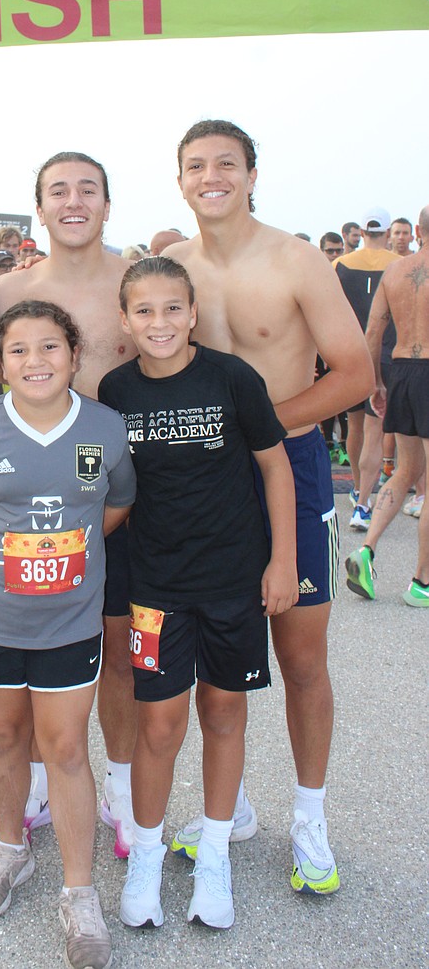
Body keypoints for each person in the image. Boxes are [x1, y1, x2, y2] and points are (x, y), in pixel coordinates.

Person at [165, 119, 372, 895]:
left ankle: (310, 818)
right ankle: (234, 804)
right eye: (196, 165)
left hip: (292, 464)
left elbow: (352, 375)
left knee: (301, 655)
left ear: (252, 174)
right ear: (179, 179)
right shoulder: (173, 267)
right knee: (218, 648)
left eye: (226, 163)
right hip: (200, 483)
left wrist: (258, 427)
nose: (211, 175)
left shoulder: (297, 259)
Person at [0, 300, 134, 969]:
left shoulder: (104, 430)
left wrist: (67, 552)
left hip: (69, 620)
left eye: (50, 347)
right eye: (19, 350)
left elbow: (118, 501)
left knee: (67, 745)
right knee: (3, 735)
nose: (36, 361)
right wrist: (13, 558)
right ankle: (12, 852)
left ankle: (80, 894)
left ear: (75, 356)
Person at [99, 257, 297, 930]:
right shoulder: (114, 388)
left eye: (173, 308)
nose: (161, 322)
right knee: (158, 723)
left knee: (223, 712)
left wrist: (283, 560)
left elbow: (275, 465)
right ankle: (148, 855)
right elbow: (101, 480)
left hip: (233, 580)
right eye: (145, 311)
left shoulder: (232, 377)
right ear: (125, 320)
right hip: (155, 586)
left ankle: (215, 852)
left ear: (192, 313)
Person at [0, 153, 139, 857]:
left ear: (107, 202)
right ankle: (38, 782)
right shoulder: (5, 289)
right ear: (38, 208)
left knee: (119, 645)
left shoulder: (138, 280)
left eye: (87, 189)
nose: (73, 201)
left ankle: (121, 785)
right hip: (38, 503)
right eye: (58, 191)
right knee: (35, 644)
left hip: (127, 490)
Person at [344, 203, 429, 607]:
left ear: (416, 229)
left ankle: (367, 549)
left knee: (408, 470)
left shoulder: (394, 270)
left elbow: (372, 330)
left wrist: (375, 381)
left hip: (402, 371)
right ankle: (421, 582)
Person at [333, 210, 398, 528]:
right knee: (373, 434)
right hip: (386, 355)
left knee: (354, 428)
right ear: (388, 231)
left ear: (360, 231)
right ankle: (362, 504)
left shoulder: (340, 265)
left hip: (349, 355)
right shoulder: (399, 264)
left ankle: (360, 489)